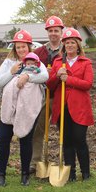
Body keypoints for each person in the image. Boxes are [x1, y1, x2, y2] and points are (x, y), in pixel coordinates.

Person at [0, 30, 48, 186]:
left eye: (23, 47)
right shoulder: (9, 62)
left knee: (25, 140)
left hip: (27, 108)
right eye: (18, 47)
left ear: (29, 46)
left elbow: (44, 76)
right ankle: (2, 175)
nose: (21, 50)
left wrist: (27, 76)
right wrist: (12, 73)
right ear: (14, 48)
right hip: (9, 108)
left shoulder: (36, 61)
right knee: (4, 139)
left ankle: (25, 175)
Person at [46, 28, 94, 181]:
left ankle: (85, 173)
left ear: (78, 45)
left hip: (79, 107)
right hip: (62, 107)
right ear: (63, 45)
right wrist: (56, 75)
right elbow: (50, 85)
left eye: (72, 42)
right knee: (66, 141)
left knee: (79, 139)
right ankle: (70, 173)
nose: (70, 45)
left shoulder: (85, 62)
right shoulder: (58, 62)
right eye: (67, 43)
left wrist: (69, 80)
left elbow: (88, 84)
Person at [31, 15, 64, 172]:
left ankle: (63, 162)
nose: (53, 33)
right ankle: (36, 162)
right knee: (38, 129)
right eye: (50, 31)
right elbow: (30, 70)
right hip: (42, 95)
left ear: (61, 32)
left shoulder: (67, 49)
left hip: (60, 95)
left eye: (56, 30)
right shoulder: (39, 52)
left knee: (63, 129)